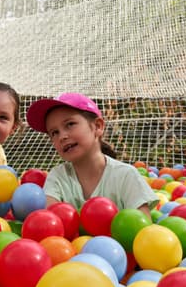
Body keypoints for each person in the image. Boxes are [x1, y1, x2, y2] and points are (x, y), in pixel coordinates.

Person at [26, 92, 158, 215]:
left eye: (70, 124)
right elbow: (49, 223)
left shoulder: (126, 176)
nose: (62, 136)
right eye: (54, 132)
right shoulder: (58, 177)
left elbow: (142, 229)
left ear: (98, 126)